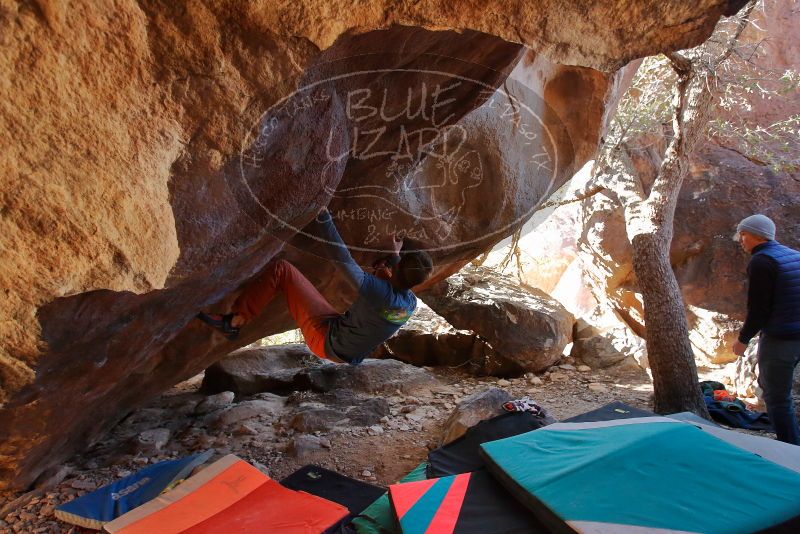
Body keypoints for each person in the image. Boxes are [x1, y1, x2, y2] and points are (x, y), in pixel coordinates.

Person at [198, 209, 434, 365]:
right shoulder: (409, 303)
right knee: (382, 276)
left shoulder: (379, 292)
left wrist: (323, 215)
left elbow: (340, 258)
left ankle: (235, 322)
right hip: (342, 342)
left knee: (282, 270)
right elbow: (396, 283)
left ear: (399, 267)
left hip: (326, 341)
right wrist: (393, 259)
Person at [731, 214, 800, 444]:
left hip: (781, 339)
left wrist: (743, 340)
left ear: (753, 236)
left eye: (742, 235)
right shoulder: (793, 255)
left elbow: (758, 309)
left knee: (777, 398)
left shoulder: (762, 261)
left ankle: (791, 451)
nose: (741, 241)